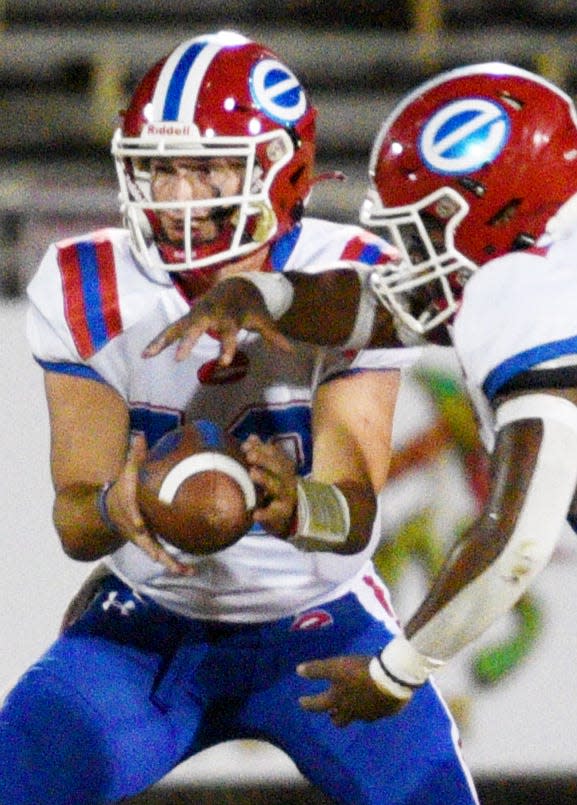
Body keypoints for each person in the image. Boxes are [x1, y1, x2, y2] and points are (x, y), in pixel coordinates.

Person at [0, 31, 478, 805]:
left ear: (279, 168)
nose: (180, 195)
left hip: (322, 620)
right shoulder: (86, 280)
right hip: (147, 621)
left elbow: (353, 513)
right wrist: (114, 507)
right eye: (161, 168)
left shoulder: (346, 277)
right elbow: (74, 518)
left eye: (209, 166)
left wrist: (298, 508)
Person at [143, 61, 577, 727]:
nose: (419, 249)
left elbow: (518, 532)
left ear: (507, 204)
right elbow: (386, 304)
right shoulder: (550, 257)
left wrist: (396, 671)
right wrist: (260, 296)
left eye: (432, 223)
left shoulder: (525, 287)